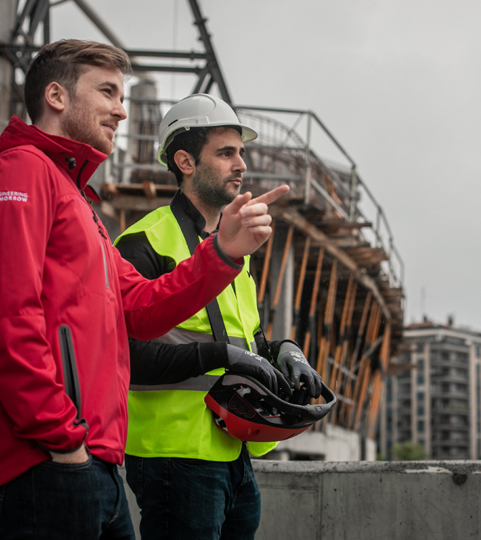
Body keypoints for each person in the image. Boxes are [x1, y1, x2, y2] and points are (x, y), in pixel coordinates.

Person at [0, 42, 288, 540]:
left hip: (91, 460)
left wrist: (222, 253)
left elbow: (139, 307)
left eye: (123, 94)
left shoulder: (76, 198)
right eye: (108, 92)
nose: (121, 109)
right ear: (56, 95)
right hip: (46, 461)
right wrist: (61, 438)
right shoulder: (21, 170)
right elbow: (5, 319)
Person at [113, 94, 322, 540]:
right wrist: (220, 356)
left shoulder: (233, 248)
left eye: (240, 152)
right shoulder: (142, 243)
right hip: (174, 453)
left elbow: (248, 334)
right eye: (225, 153)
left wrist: (286, 351)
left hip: (234, 447)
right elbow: (123, 356)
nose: (241, 163)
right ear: (185, 161)